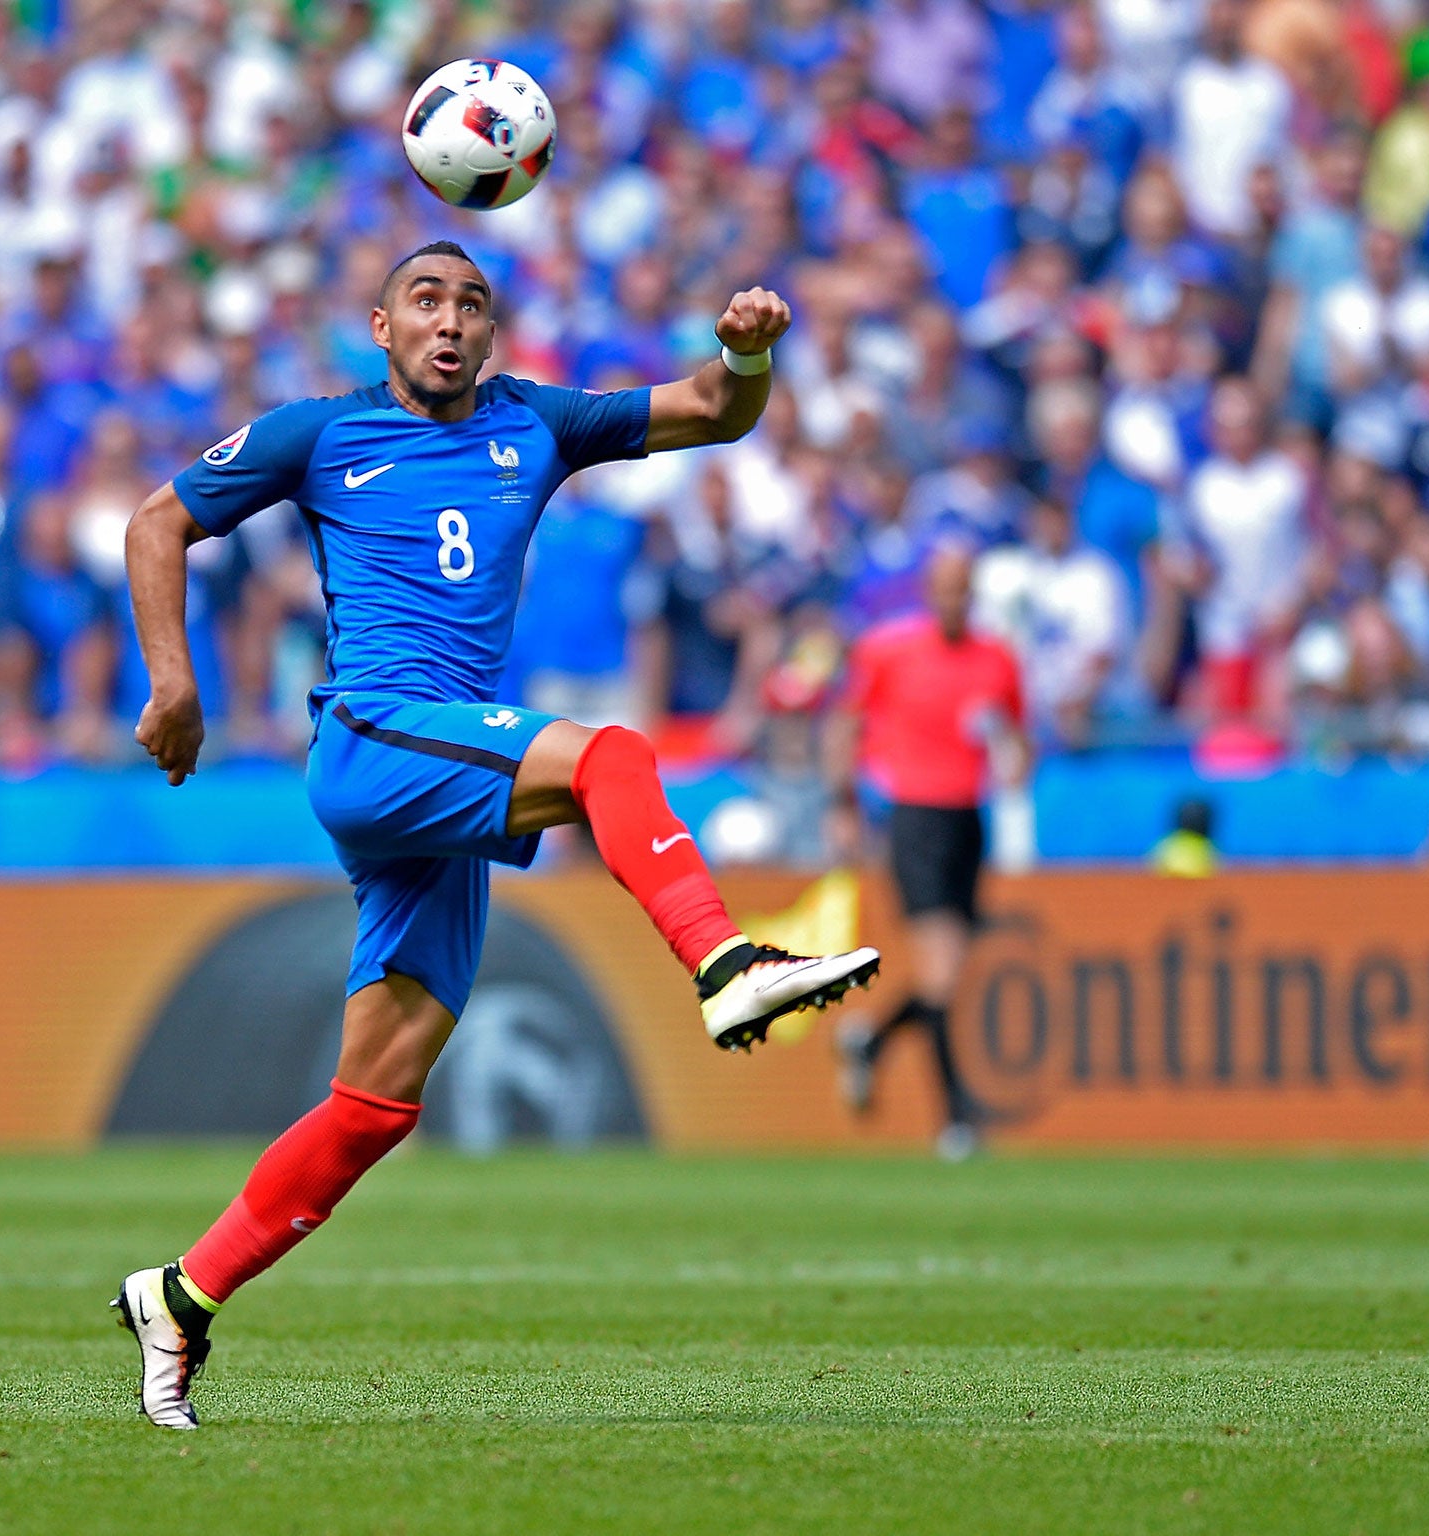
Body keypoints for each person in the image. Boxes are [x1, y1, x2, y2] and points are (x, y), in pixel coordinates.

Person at [112, 242, 880, 1430]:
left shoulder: (538, 421)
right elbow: (157, 521)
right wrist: (176, 684)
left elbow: (713, 411)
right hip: (377, 736)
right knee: (607, 757)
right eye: (425, 301)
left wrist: (748, 348)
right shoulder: (318, 434)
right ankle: (725, 962)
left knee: (373, 1104)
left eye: (473, 304)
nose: (451, 322)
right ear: (379, 326)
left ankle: (181, 1293)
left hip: (442, 780)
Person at [828, 544, 1029, 1160]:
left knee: (949, 976)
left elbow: (1019, 735)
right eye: (944, 588)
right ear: (927, 591)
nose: (953, 600)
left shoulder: (996, 659)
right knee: (940, 971)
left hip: (969, 817)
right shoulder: (890, 652)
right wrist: (842, 804)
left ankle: (870, 1039)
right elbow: (845, 723)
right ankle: (956, 1121)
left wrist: (1016, 763)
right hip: (914, 818)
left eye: (962, 588)